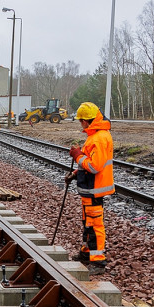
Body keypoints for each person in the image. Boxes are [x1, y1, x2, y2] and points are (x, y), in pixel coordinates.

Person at [64, 102, 114, 275]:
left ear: (87, 121)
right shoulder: (94, 136)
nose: (80, 124)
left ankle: (98, 261)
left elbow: (94, 166)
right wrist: (76, 173)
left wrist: (77, 156)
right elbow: (88, 162)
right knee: (87, 223)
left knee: (94, 225)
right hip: (88, 189)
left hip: (95, 189)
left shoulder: (100, 138)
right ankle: (86, 253)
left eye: (81, 121)